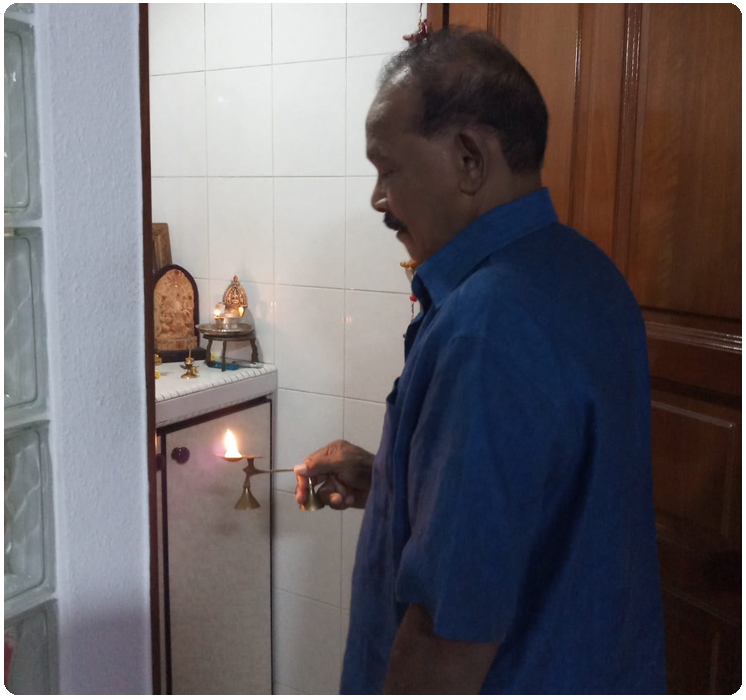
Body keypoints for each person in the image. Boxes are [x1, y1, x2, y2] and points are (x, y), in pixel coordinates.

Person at [294, 28, 666, 694]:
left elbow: (449, 636)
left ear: (469, 160)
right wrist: (390, 481)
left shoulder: (488, 323)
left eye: (388, 169)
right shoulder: (587, 274)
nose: (378, 198)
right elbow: (535, 506)